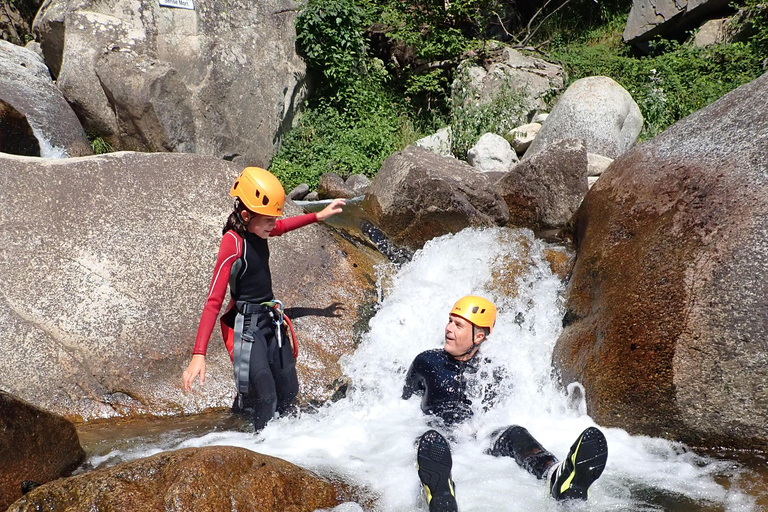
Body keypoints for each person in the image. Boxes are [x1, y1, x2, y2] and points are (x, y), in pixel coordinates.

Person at [403, 296, 608, 511]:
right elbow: (401, 406)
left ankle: (556, 476)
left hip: (479, 438)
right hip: (440, 433)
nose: (449, 329)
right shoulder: (426, 362)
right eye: (450, 321)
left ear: (478, 336)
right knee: (429, 442)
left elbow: (495, 414)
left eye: (458, 325)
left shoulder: (492, 371)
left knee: (515, 433)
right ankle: (440, 494)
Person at [182, 166, 345, 431]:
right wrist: (199, 354)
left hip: (271, 322)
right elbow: (213, 300)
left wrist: (318, 215)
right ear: (246, 215)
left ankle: (289, 449)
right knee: (266, 396)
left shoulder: (261, 230)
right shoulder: (232, 242)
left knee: (290, 390)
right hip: (248, 330)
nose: (273, 224)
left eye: (273, 219)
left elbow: (282, 227)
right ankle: (262, 453)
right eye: (268, 218)